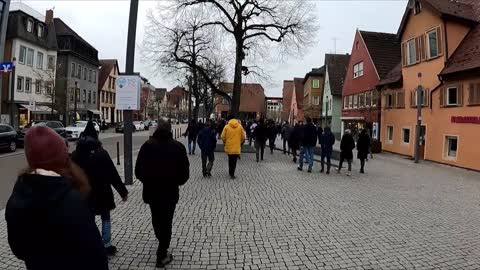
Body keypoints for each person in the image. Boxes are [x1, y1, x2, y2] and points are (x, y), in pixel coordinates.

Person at [6, 126, 108, 270]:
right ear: (61, 156)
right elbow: (95, 257)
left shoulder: (17, 197)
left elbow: (18, 249)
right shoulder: (72, 200)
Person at [135, 120, 190, 268]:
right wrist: (176, 181)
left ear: (157, 129)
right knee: (167, 220)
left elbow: (138, 171)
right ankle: (162, 251)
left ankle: (162, 243)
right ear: (171, 130)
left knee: (157, 218)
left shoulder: (147, 146)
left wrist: (148, 180)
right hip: (169, 192)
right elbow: (185, 174)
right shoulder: (178, 147)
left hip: (152, 191)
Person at [71, 120, 129, 256]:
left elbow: (69, 176)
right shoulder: (102, 153)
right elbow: (113, 174)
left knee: (87, 219)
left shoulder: (75, 155)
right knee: (105, 218)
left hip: (83, 194)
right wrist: (123, 192)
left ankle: (89, 243)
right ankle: (107, 244)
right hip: (103, 192)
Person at [221, 114, 246, 179]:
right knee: (234, 161)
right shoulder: (240, 126)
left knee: (230, 160)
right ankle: (232, 173)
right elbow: (243, 136)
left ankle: (230, 172)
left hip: (229, 146)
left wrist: (225, 142)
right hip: (236, 147)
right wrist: (239, 142)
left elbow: (223, 136)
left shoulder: (226, 126)